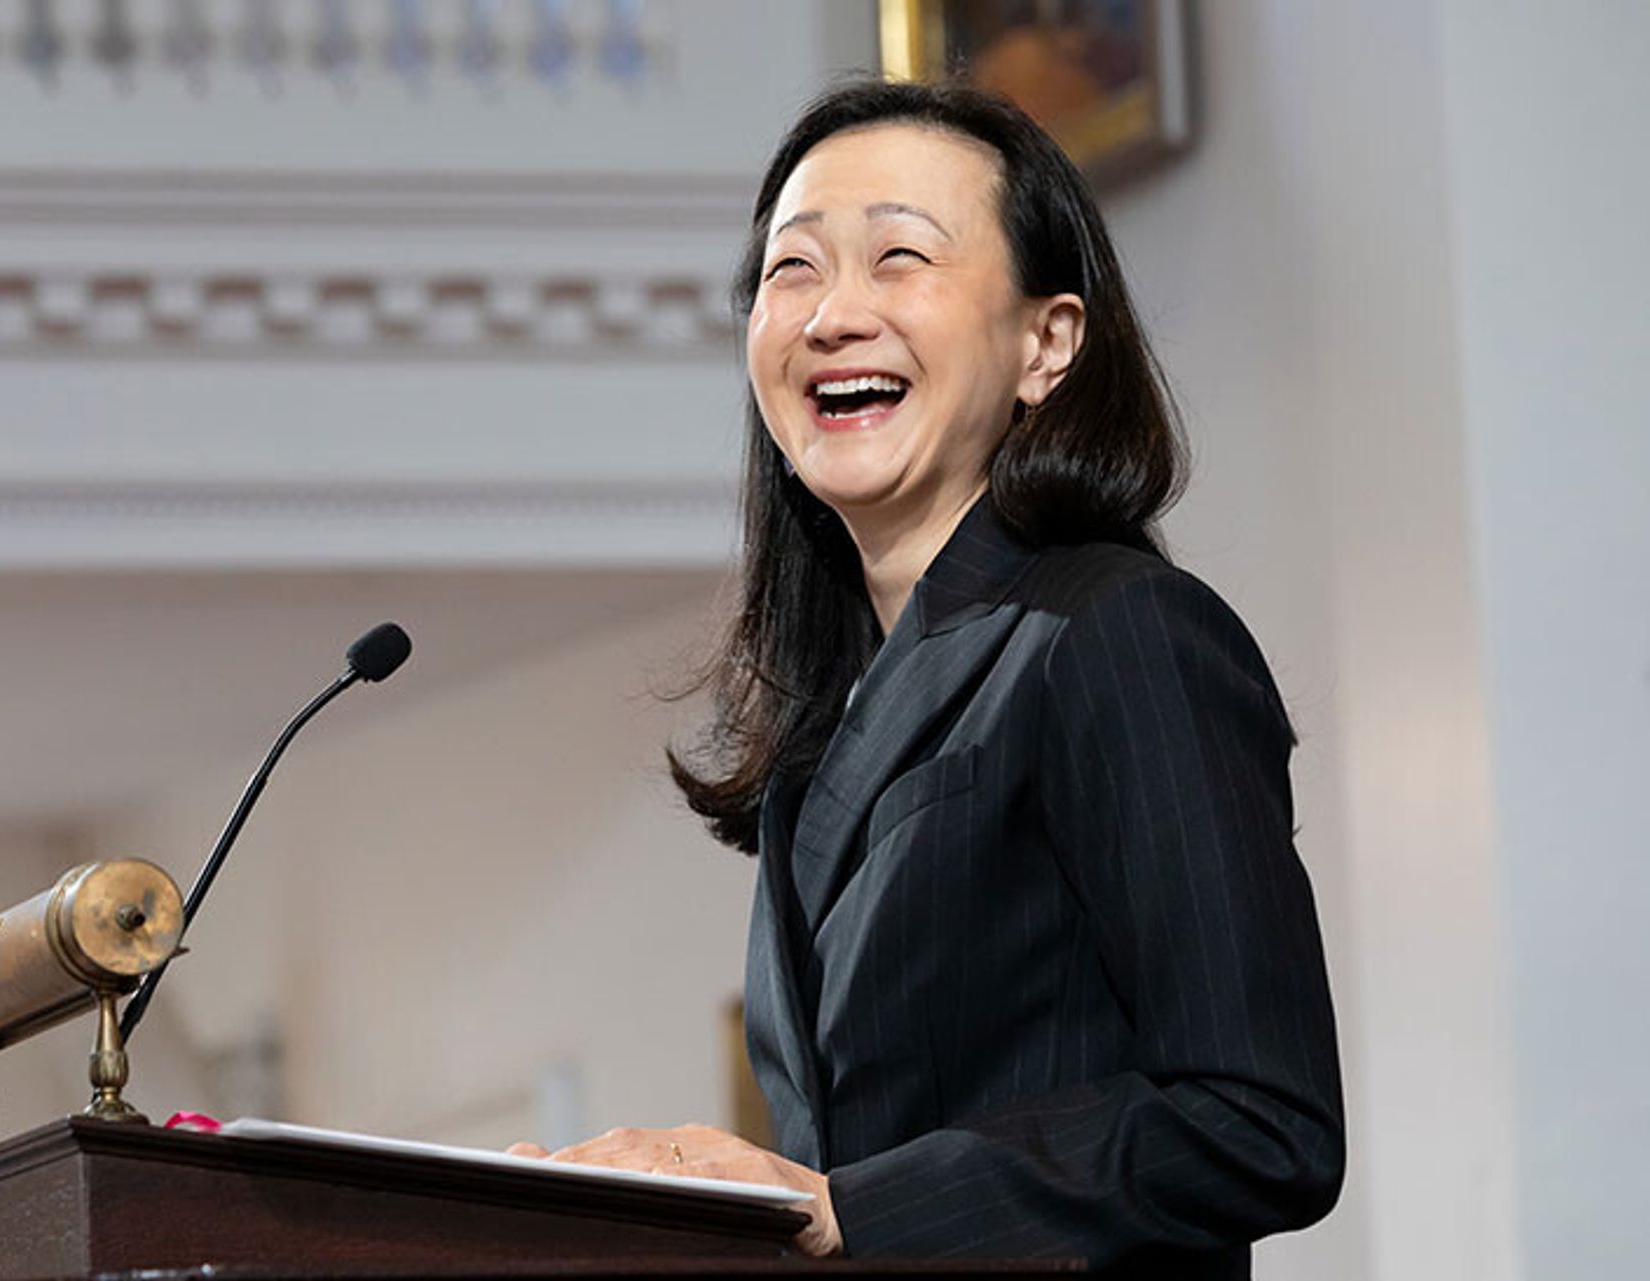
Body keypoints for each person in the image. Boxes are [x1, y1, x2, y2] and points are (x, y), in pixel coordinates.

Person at [507, 80, 1344, 1275]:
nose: (833, 315)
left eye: (900, 257)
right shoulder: (827, 716)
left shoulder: (1119, 633)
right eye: (792, 272)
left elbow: (1261, 1123)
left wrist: (851, 1207)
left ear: (1046, 343)